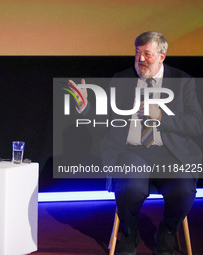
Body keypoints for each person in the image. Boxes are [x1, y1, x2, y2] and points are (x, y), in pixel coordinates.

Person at [70, 31, 203, 255]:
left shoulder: (183, 82)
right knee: (131, 186)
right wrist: (85, 108)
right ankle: (130, 234)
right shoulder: (122, 78)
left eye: (147, 54)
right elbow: (105, 118)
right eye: (137, 53)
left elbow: (196, 124)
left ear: (162, 56)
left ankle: (167, 231)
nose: (140, 59)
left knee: (183, 188)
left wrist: (161, 117)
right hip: (131, 151)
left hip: (169, 153)